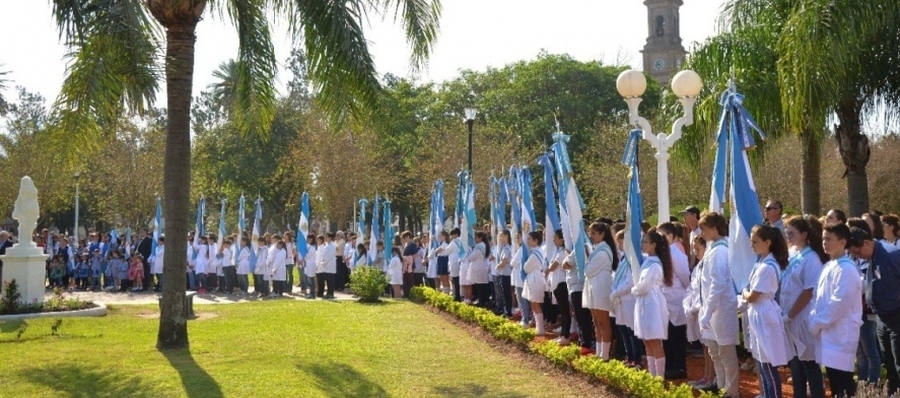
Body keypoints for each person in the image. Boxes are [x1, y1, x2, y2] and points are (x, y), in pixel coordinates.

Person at [848, 223, 900, 395]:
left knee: (899, 361)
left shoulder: (892, 255)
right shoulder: (871, 257)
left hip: (896, 315)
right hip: (881, 317)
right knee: (889, 362)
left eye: (857, 252)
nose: (858, 257)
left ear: (867, 243)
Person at [813, 223, 863, 397]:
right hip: (827, 332)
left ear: (842, 242)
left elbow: (838, 303)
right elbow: (817, 297)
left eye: (829, 239)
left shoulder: (847, 269)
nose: (824, 242)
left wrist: (818, 323)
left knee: (843, 383)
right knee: (834, 381)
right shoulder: (828, 266)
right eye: (823, 239)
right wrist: (815, 317)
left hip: (841, 333)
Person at [744, 225, 791, 398]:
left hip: (764, 313)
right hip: (758, 313)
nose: (752, 245)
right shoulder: (761, 263)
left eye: (755, 242)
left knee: (768, 363)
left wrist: (744, 293)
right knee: (761, 361)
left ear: (768, 242)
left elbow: (753, 296)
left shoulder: (767, 267)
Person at [697, 212, 740, 398]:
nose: (702, 233)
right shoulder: (713, 248)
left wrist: (707, 311)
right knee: (715, 351)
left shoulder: (721, 250)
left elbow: (718, 283)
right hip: (712, 307)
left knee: (726, 351)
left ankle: (732, 391)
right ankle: (721, 386)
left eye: (704, 229)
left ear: (714, 228)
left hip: (721, 309)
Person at [632, 229, 671, 378]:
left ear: (653, 245)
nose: (642, 244)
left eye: (645, 242)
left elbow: (644, 286)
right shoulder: (648, 262)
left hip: (652, 304)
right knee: (647, 341)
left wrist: (634, 289)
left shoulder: (655, 265)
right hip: (644, 303)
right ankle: (651, 374)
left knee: (654, 341)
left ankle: (659, 377)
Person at [657, 222, 690, 379]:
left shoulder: (676, 254)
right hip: (665, 300)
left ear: (670, 236)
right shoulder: (663, 253)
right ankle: (670, 365)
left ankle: (679, 367)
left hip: (676, 299)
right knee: (667, 336)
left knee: (676, 336)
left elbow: (685, 278)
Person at [584, 222, 617, 361]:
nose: (591, 236)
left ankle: (605, 354)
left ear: (602, 234)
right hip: (593, 287)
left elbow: (588, 270)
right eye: (590, 233)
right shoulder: (597, 249)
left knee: (603, 322)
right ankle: (598, 352)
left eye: (594, 233)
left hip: (600, 288)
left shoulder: (603, 251)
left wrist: (584, 258)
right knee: (596, 322)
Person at [611, 229, 641, 367]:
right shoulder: (624, 257)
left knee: (631, 330)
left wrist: (616, 292)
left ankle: (636, 359)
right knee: (623, 329)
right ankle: (629, 357)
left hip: (628, 299)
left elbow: (630, 282)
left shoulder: (632, 259)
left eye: (621, 242)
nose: (619, 245)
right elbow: (617, 277)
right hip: (620, 299)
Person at [521, 231, 548, 335]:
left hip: (535, 278)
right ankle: (538, 326)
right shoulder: (537, 251)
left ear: (536, 241)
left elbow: (526, 267)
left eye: (530, 239)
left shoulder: (536, 253)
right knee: (534, 303)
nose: (528, 241)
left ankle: (540, 328)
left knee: (536, 304)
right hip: (534, 277)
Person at [548, 230, 572, 345]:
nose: (553, 240)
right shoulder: (559, 251)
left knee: (565, 311)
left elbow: (552, 267)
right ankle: (563, 334)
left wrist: (548, 267)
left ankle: (566, 335)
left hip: (561, 283)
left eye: (556, 238)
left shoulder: (563, 252)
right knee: (562, 311)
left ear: (562, 239)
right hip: (557, 283)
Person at [467, 232, 491, 307]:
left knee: (480, 287)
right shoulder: (484, 245)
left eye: (476, 237)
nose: (475, 239)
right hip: (482, 267)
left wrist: (468, 254)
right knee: (481, 286)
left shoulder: (479, 247)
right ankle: (482, 301)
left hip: (478, 268)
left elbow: (471, 257)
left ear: (480, 238)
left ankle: (481, 303)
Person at [303, 234, 318, 299]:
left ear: (311, 239)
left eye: (308, 239)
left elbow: (308, 256)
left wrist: (304, 255)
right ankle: (310, 293)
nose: (307, 240)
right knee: (308, 279)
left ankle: (312, 293)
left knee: (310, 280)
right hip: (307, 265)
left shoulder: (313, 247)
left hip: (311, 265)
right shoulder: (309, 246)